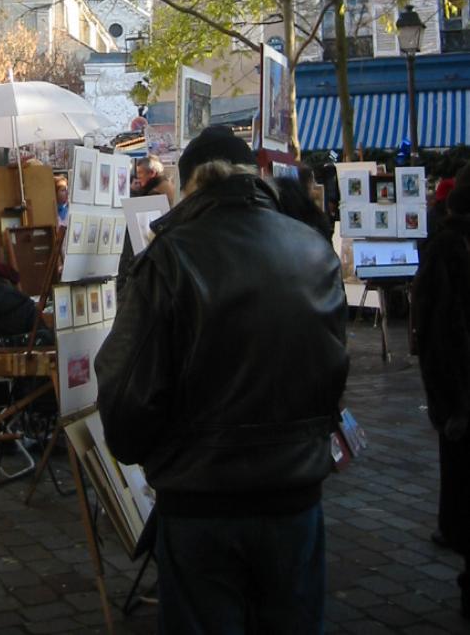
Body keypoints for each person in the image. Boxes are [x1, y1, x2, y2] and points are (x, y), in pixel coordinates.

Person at [95, 125, 349, 635]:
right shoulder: (313, 249)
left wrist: (155, 455)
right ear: (254, 179)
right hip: (293, 494)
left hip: (202, 501)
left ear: (189, 187)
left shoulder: (167, 257)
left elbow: (125, 398)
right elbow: (333, 371)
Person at [414, 163, 470, 615]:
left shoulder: (448, 245)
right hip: (458, 379)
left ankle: (453, 526)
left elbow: (437, 321)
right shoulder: (451, 245)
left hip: (458, 380)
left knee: (457, 462)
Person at [116, 154, 175, 295]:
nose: (139, 177)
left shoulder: (156, 193)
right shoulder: (164, 186)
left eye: (141, 173)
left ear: (152, 173)